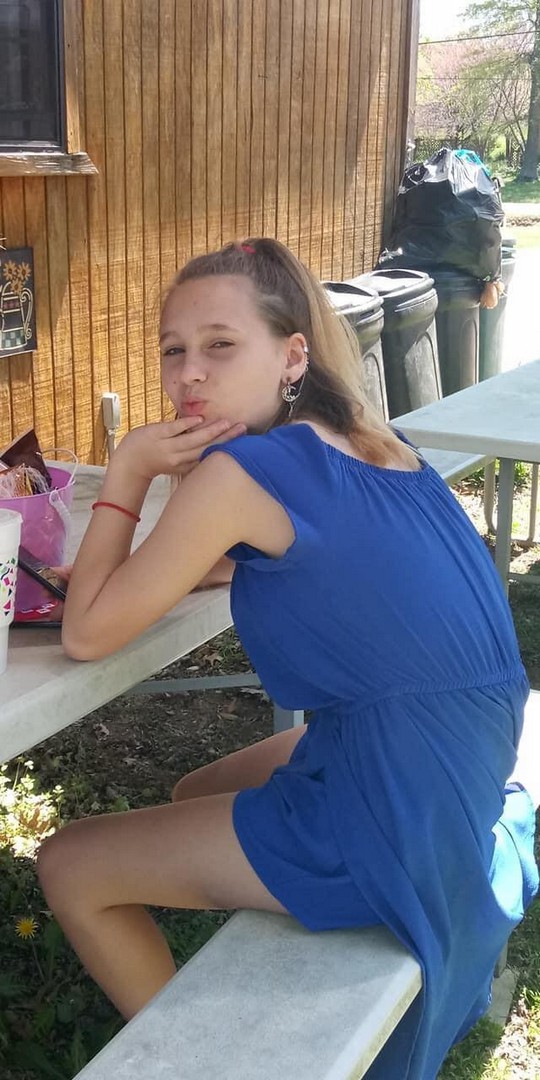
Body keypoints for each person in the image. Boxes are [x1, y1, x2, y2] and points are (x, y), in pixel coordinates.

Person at [37, 238, 538, 1079]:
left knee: (68, 863)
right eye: (173, 350)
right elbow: (306, 552)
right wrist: (172, 562)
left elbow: (85, 633)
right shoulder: (370, 438)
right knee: (195, 791)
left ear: (293, 355)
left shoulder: (245, 469)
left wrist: (128, 470)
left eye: (221, 345)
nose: (190, 374)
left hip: (396, 795)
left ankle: (191, 1065)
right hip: (467, 750)